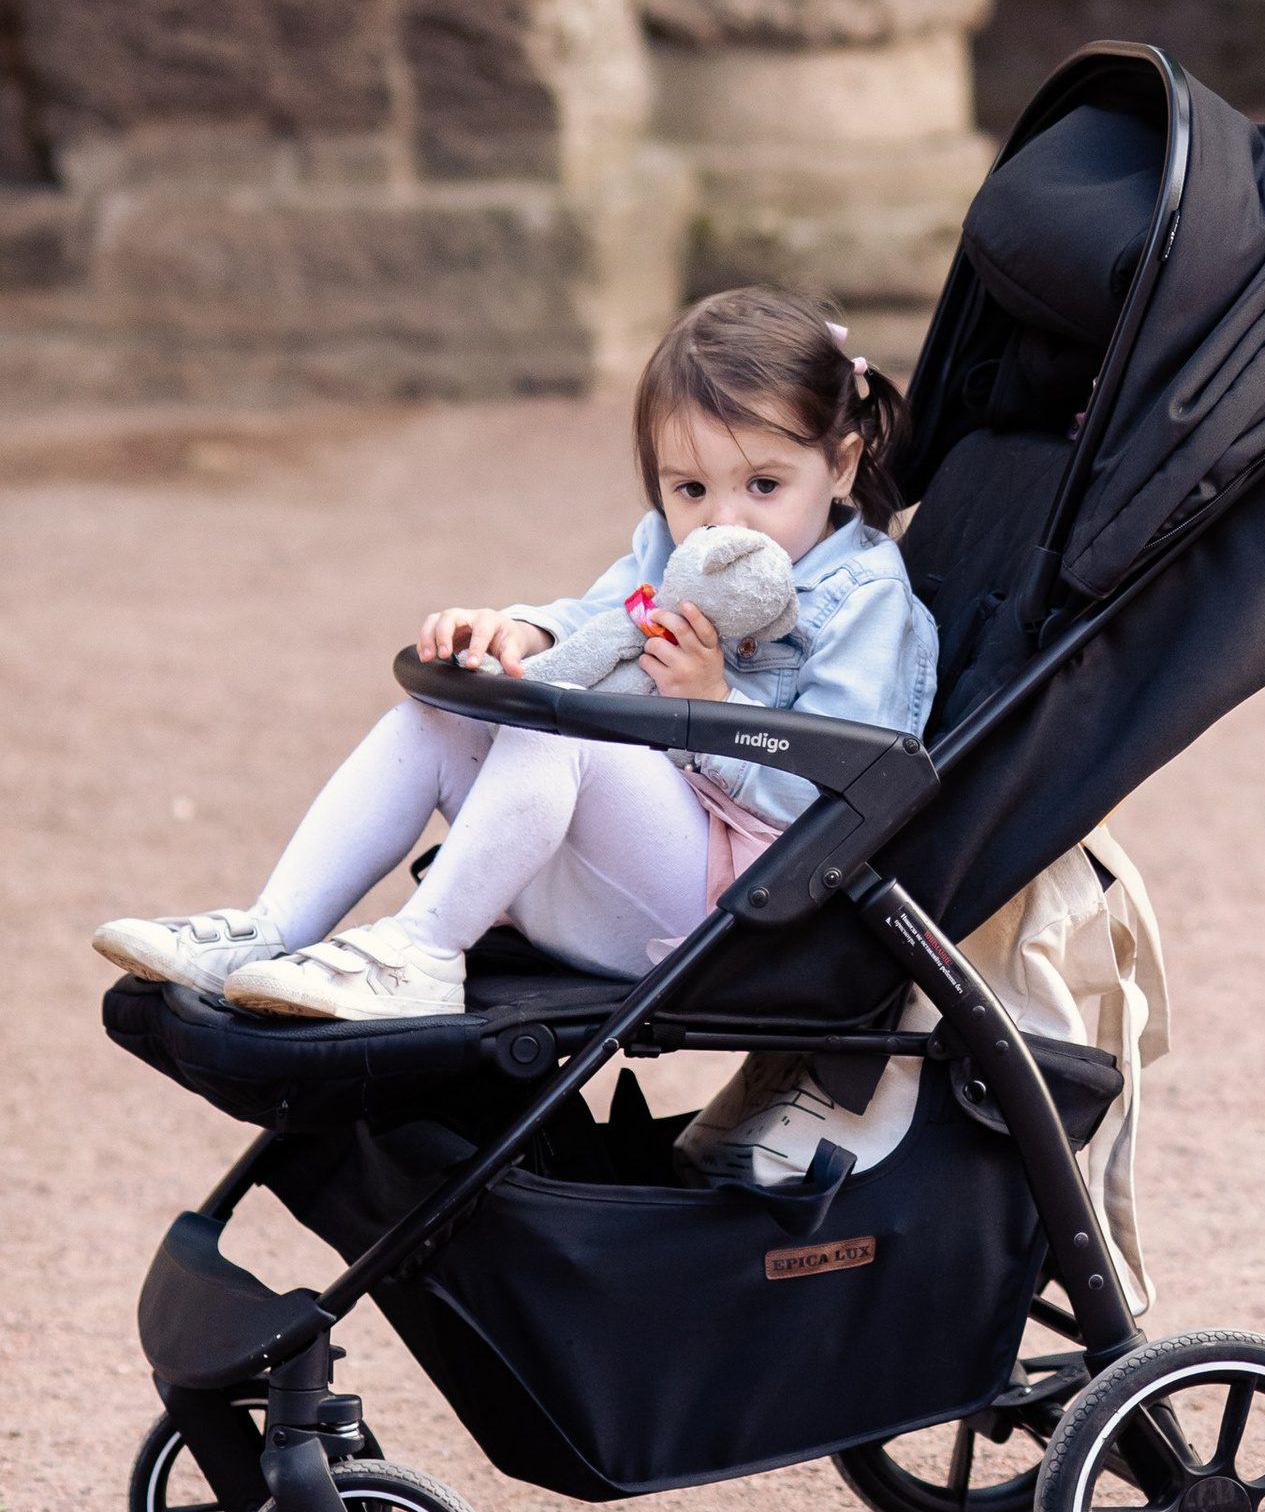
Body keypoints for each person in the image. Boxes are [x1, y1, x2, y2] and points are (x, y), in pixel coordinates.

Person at [93, 289, 938, 1025]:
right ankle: (270, 925)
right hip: (587, 870)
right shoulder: (666, 552)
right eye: (690, 489)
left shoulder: (864, 598)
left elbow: (845, 792)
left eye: (763, 486)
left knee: (565, 730)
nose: (724, 520)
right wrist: (522, 633)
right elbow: (600, 621)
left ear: (841, 464)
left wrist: (715, 706)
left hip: (726, 908)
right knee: (445, 709)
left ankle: (421, 951)